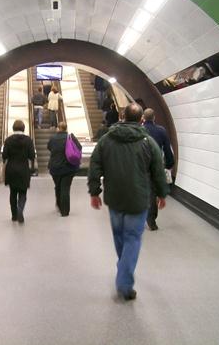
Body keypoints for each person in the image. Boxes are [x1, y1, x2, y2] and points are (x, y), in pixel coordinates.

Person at [87, 103, 169, 301]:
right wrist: (161, 193)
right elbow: (158, 170)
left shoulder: (106, 140)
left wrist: (94, 191)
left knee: (119, 236)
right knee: (132, 238)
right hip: (138, 198)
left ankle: (123, 267)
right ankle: (124, 282)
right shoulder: (148, 142)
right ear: (141, 119)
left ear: (122, 116)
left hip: (114, 197)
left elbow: (95, 165)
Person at [142, 108, 175, 231]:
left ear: (143, 118)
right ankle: (151, 220)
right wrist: (170, 163)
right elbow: (167, 149)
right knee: (153, 192)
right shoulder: (161, 131)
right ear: (154, 118)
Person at [2, 120, 35, 223]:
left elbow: (4, 156)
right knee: (23, 192)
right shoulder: (28, 140)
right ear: (23, 128)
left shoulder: (8, 140)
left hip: (11, 169)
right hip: (23, 169)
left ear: (13, 128)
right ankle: (20, 208)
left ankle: (14, 215)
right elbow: (32, 156)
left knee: (13, 192)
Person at [47, 122, 82, 217]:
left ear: (58, 128)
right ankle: (65, 211)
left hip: (55, 167)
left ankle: (59, 205)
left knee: (58, 187)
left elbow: (49, 148)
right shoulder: (71, 137)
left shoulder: (53, 139)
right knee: (65, 188)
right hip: (68, 167)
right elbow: (79, 147)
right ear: (66, 128)